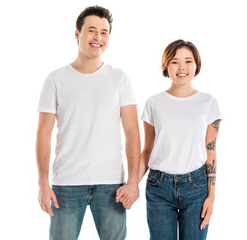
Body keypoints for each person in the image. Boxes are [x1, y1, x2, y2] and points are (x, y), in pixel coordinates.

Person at [36, 6, 140, 240]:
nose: (98, 38)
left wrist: (133, 182)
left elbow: (133, 133)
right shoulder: (55, 80)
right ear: (77, 34)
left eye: (104, 32)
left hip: (112, 185)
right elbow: (43, 134)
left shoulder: (120, 78)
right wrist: (43, 183)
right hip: (66, 184)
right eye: (91, 30)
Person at [120, 39, 221, 239]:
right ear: (166, 66)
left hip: (197, 187)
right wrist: (132, 184)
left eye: (188, 61)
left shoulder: (209, 103)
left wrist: (212, 197)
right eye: (175, 61)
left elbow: (211, 150)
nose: (181, 67)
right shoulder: (154, 103)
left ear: (196, 65)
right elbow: (148, 149)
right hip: (159, 187)